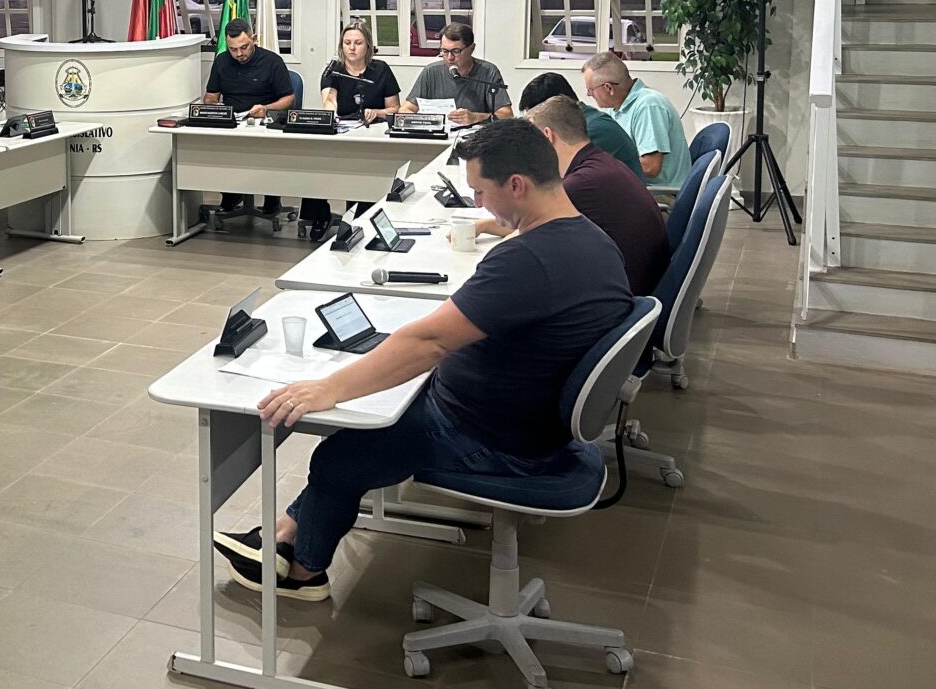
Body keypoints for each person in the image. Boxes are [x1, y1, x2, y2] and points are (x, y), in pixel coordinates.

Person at [211, 119, 630, 600]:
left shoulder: (528, 260)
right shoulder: (595, 241)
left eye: (480, 191)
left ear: (517, 185)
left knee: (341, 456)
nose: (479, 205)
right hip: (530, 420)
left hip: (495, 438)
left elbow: (429, 343)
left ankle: (304, 572)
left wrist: (328, 388)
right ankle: (288, 532)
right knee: (382, 404)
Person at [479, 98, 671, 294]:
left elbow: (522, 230)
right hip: (642, 283)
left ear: (547, 136)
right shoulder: (601, 164)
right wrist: (482, 226)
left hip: (625, 293)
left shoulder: (581, 184)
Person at [298, 22, 402, 239]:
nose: (352, 48)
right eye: (347, 43)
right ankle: (319, 216)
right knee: (315, 162)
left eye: (358, 43)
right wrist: (332, 112)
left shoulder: (381, 69)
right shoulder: (334, 69)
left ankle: (361, 216)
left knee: (363, 168)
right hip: (342, 131)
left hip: (371, 134)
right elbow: (329, 99)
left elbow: (395, 108)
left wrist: (378, 112)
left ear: (368, 46)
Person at [204, 18, 295, 220]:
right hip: (233, 122)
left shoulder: (272, 61)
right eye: (233, 49)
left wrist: (266, 108)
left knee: (267, 152)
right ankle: (231, 195)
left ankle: (272, 199)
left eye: (244, 47)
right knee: (218, 150)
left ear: (254, 39)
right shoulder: (221, 61)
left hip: (264, 122)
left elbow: (289, 99)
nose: (239, 54)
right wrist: (214, 106)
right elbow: (210, 96)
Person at [583, 50, 690, 188]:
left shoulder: (648, 106)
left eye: (590, 89)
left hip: (660, 193)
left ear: (609, 88)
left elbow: (650, 167)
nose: (588, 94)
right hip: (636, 188)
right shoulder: (615, 107)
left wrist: (599, 166)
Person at [518, 72, 645, 180]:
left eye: (536, 119)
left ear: (556, 106)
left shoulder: (591, 130)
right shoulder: (582, 122)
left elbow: (554, 178)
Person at [401, 23, 511, 125]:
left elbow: (507, 115)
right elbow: (406, 109)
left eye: (456, 51)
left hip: (475, 136)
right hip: (439, 134)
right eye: (445, 51)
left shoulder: (488, 71)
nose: (450, 58)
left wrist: (476, 117)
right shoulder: (431, 72)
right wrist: (424, 121)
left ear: (472, 49)